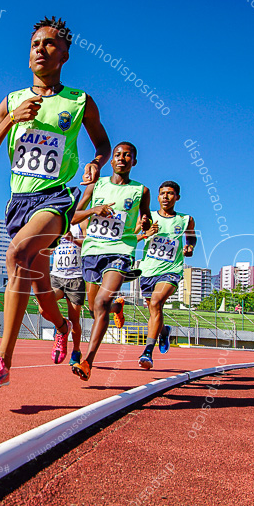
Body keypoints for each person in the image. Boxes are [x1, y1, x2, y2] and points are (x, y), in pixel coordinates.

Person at [0, 17, 111, 388]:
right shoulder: (12, 101)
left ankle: (2, 361)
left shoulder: (79, 101)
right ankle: (63, 324)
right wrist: (10, 121)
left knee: (17, 255)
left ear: (65, 54)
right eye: (35, 44)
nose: (40, 49)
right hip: (19, 202)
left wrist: (97, 163)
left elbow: (102, 144)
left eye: (50, 44)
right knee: (42, 294)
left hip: (56, 198)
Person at [70, 141, 151, 381]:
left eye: (128, 155)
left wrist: (144, 222)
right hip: (92, 251)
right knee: (95, 308)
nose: (122, 158)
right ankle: (118, 308)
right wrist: (94, 210)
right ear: (112, 159)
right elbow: (73, 217)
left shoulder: (141, 191)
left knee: (102, 302)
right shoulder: (97, 184)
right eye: (117, 154)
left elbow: (144, 216)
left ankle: (88, 361)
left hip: (120, 251)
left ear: (134, 161)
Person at [135, 180, 195, 369]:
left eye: (170, 193)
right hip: (147, 271)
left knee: (155, 303)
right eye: (162, 193)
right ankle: (163, 331)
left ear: (177, 197)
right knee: (154, 310)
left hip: (171, 270)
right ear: (158, 196)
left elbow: (191, 236)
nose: (166, 197)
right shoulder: (148, 217)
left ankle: (147, 352)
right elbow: (130, 237)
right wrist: (145, 234)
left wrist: (190, 246)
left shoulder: (185, 219)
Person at [43, 223, 86, 366]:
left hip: (76, 278)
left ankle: (76, 351)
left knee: (75, 320)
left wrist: (73, 239)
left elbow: (90, 244)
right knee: (43, 307)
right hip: (57, 277)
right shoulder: (57, 223)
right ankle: (62, 325)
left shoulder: (82, 224)